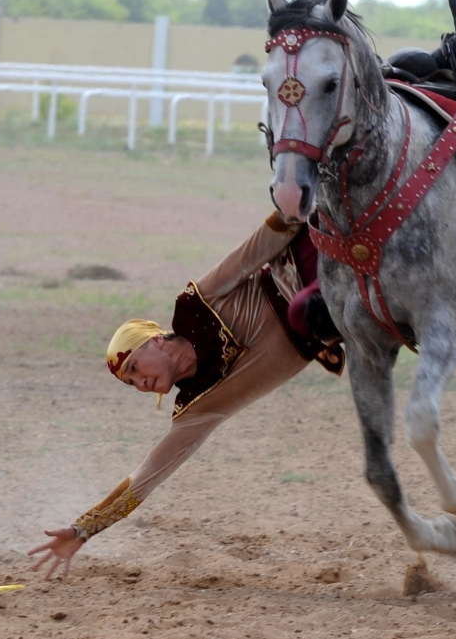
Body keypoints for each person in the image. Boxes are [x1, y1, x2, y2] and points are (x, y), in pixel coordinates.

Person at [28, 211, 343, 579]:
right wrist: (83, 530)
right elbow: (144, 478)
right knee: (309, 315)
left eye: (133, 368)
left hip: (311, 257)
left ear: (156, 340)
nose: (139, 384)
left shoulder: (200, 303)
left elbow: (253, 250)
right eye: (131, 384)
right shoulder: (196, 408)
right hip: (327, 317)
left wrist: (292, 210)